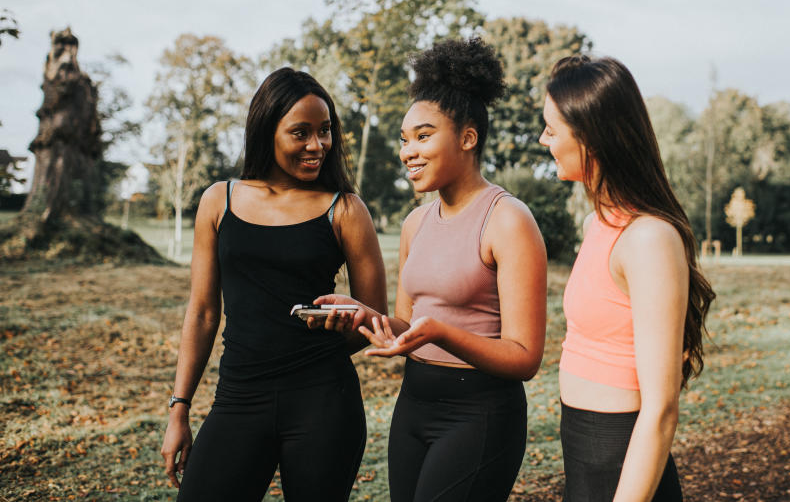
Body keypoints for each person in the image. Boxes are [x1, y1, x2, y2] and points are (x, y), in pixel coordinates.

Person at [316, 37, 547, 502]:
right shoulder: (414, 223)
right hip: (414, 406)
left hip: (480, 412)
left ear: (467, 137)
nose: (408, 152)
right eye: (404, 140)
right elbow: (406, 325)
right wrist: (364, 315)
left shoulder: (507, 219)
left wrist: (440, 333)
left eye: (423, 136)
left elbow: (525, 358)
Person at [159, 68, 387, 502]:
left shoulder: (346, 210)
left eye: (325, 131)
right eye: (300, 132)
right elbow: (204, 312)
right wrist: (179, 409)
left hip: (324, 401)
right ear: (267, 130)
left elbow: (372, 319)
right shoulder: (218, 200)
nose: (317, 145)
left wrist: (345, 323)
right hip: (239, 397)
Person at [538, 55, 714, 502]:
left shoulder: (649, 238)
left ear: (590, 138)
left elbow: (661, 408)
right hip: (585, 457)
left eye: (552, 129)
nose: (543, 140)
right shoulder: (600, 224)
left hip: (624, 465)